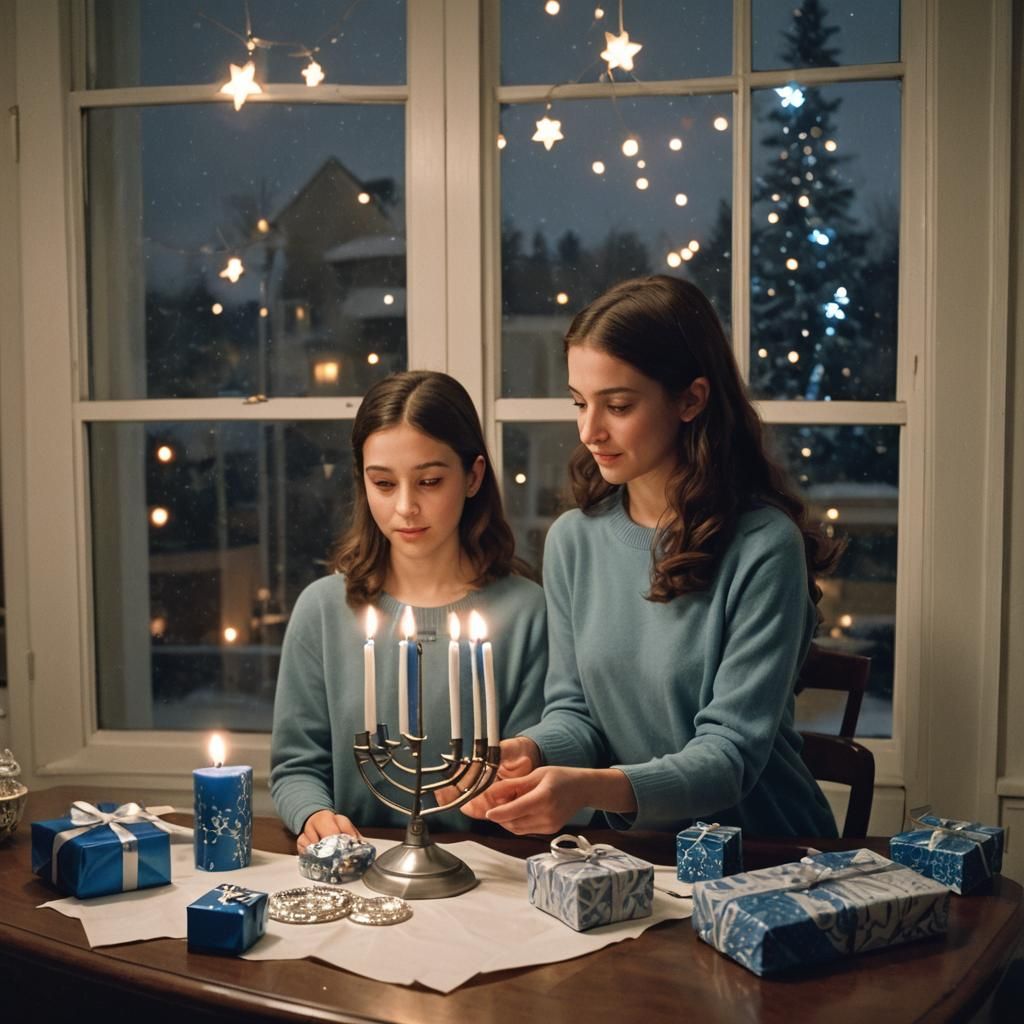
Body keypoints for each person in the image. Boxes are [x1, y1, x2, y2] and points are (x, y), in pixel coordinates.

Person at [463, 275, 843, 838]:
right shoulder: (573, 540)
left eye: (617, 405)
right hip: (632, 856)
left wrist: (590, 787)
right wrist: (528, 750)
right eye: (579, 403)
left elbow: (729, 755)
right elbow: (577, 715)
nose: (590, 431)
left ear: (691, 398)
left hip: (764, 854)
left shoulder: (764, 548)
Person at [270, 371, 546, 851]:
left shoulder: (526, 613)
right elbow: (297, 766)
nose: (406, 507)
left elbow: (528, 771)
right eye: (383, 482)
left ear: (473, 476)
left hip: (487, 874)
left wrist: (496, 790)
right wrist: (314, 814)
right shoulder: (322, 610)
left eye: (430, 481)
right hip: (358, 869)